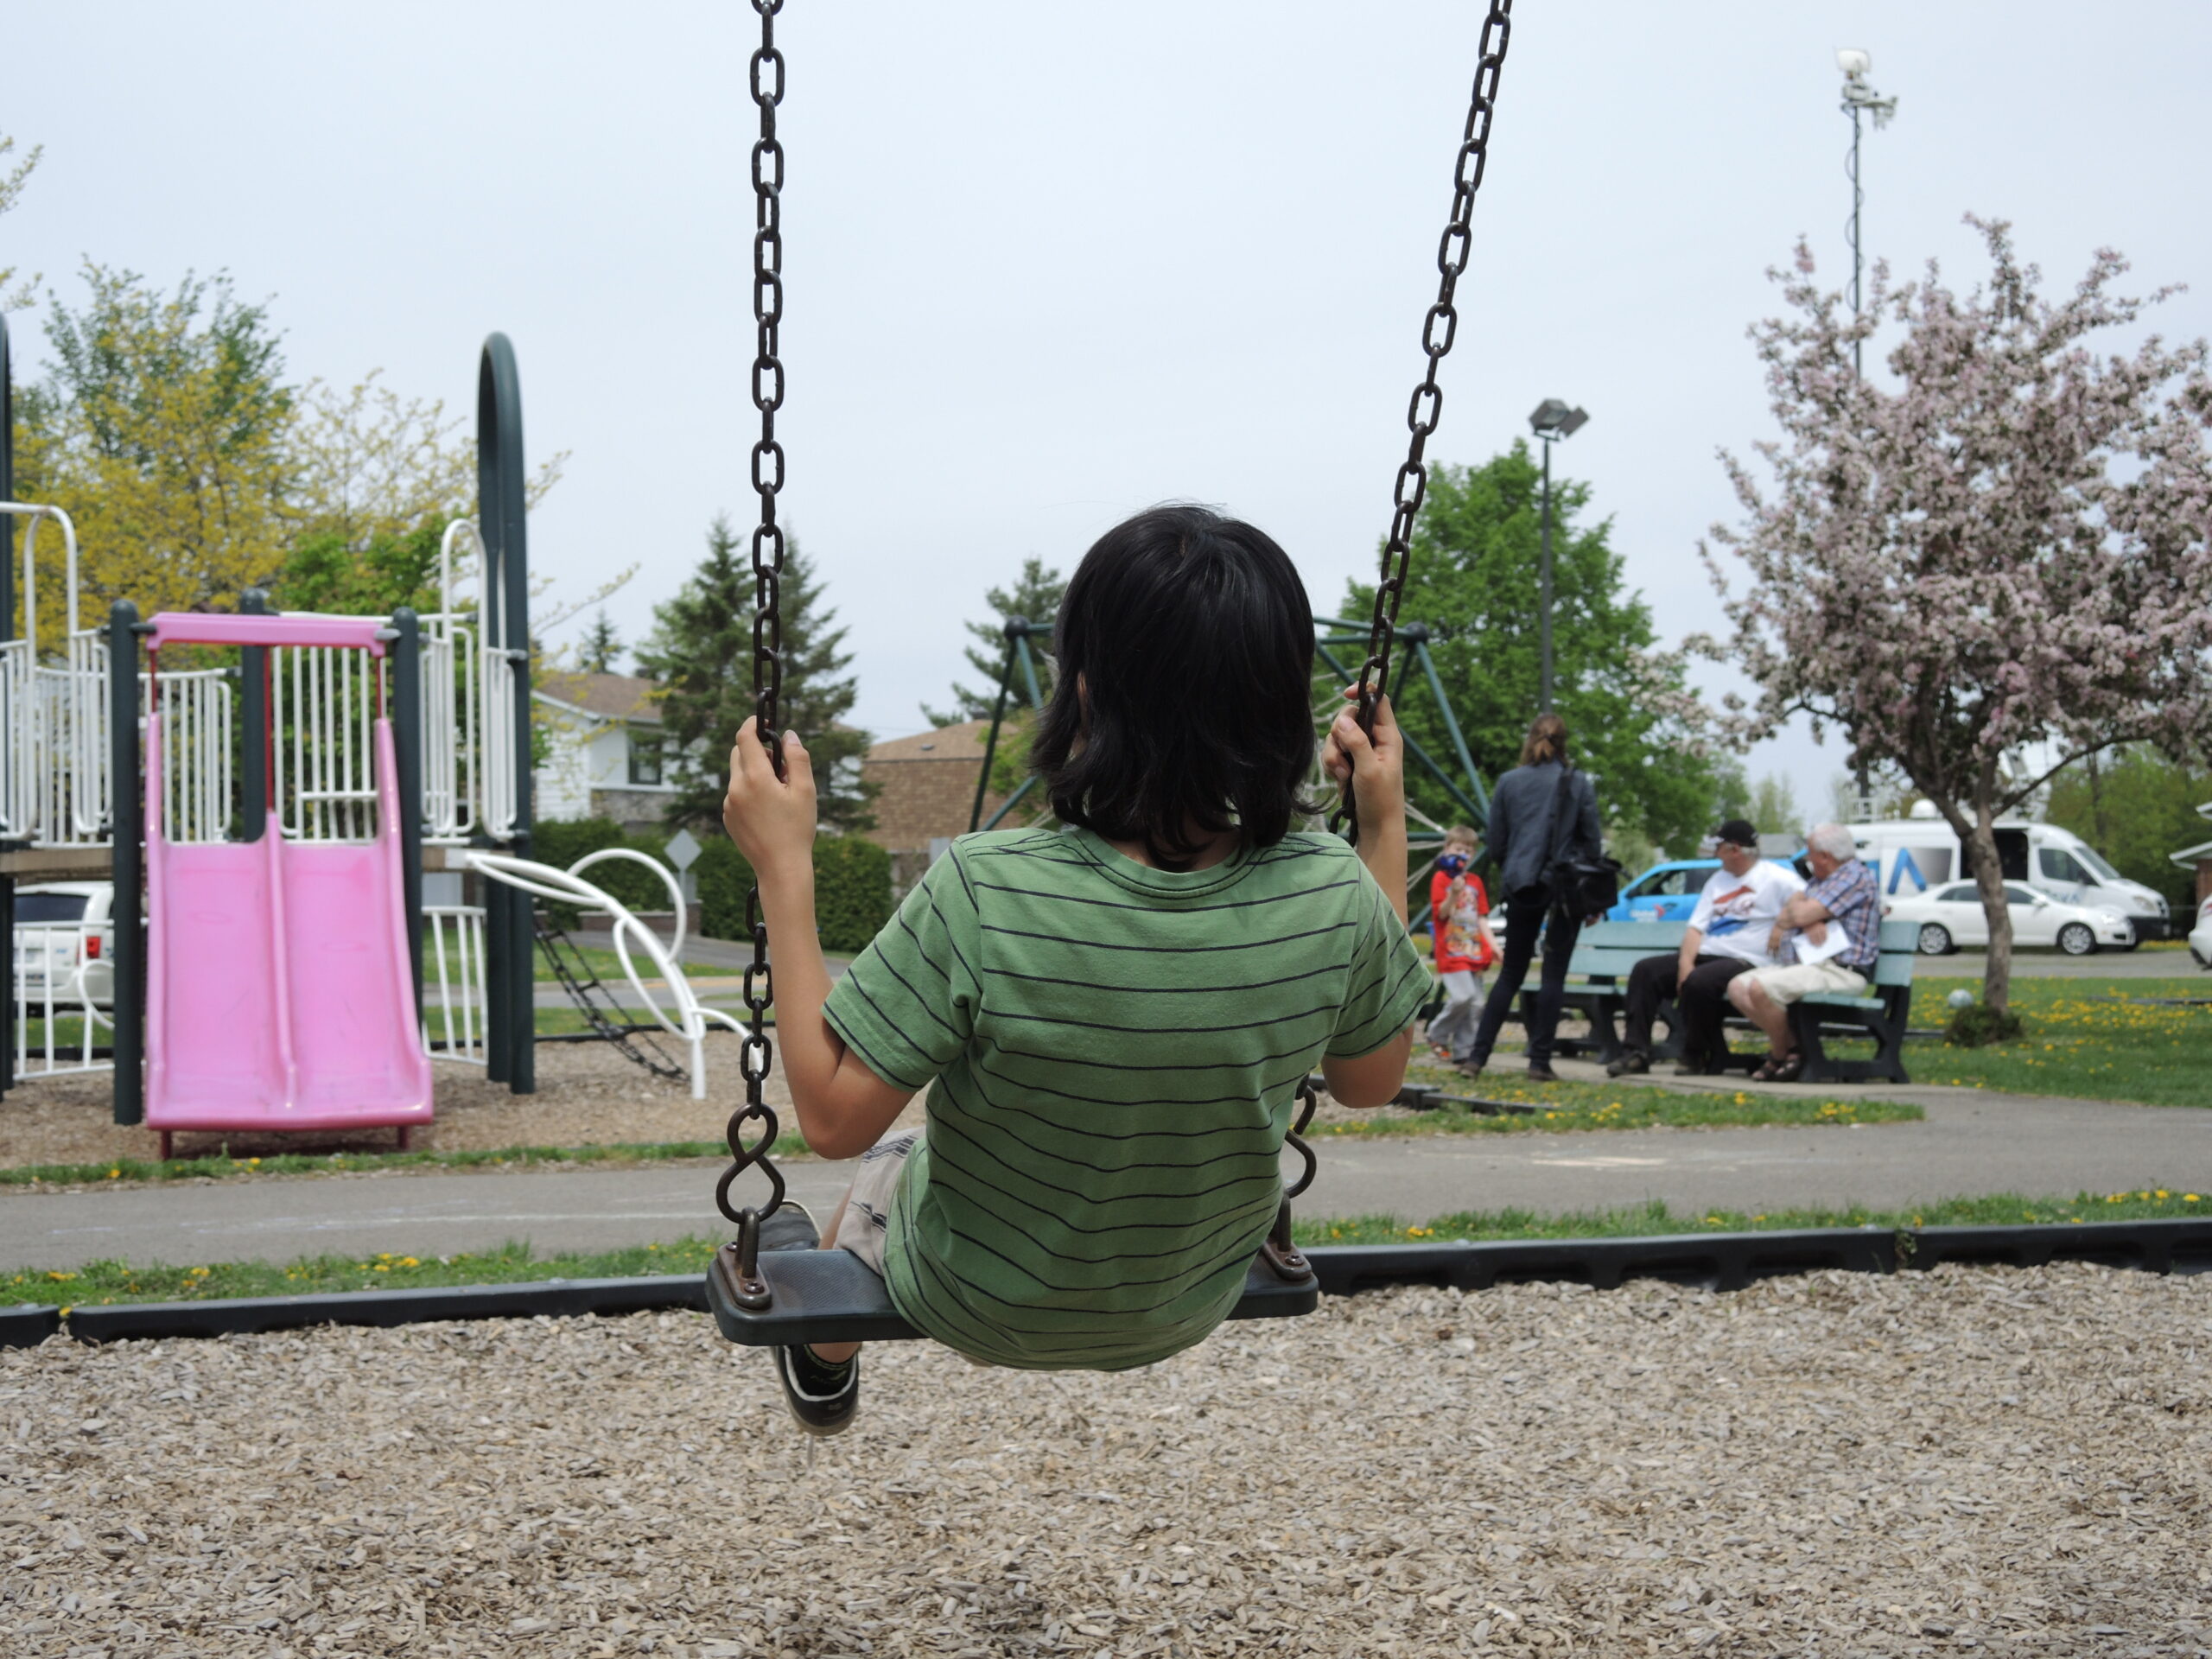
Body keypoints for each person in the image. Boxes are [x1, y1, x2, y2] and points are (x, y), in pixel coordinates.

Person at [720, 504, 1429, 1434]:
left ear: (1084, 690)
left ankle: (823, 1355)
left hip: (975, 1296)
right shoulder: (1332, 888)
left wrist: (784, 865)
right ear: (1283, 701)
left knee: (892, 1158)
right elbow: (1372, 1081)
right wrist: (1383, 823)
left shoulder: (986, 887)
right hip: (1185, 1297)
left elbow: (830, 1116)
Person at [1459, 713, 1603, 1084]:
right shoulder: (1578, 782)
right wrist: (1592, 899)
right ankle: (1539, 1063)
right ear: (1564, 742)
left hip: (1521, 884)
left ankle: (1476, 1058)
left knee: (1510, 973)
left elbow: (1497, 841)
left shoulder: (1509, 782)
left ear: (1530, 739)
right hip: (1565, 888)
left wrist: (1514, 870)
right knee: (1554, 975)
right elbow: (1592, 842)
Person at [1604, 817, 1805, 1077]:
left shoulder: (1774, 876)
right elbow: (1695, 929)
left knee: (1699, 981)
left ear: (1735, 849)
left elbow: (1805, 897)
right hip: (1707, 955)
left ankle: (1694, 1055)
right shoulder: (1718, 880)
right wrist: (1685, 964)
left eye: (1718, 847)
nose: (1715, 853)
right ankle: (1635, 1052)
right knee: (1646, 971)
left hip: (1746, 960)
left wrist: (1782, 922)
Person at [1726, 821, 1882, 1082]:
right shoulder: (1823, 880)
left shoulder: (1853, 877)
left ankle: (1780, 1054)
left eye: (1810, 853)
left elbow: (1795, 914)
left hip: (1840, 971)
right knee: (1737, 988)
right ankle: (1792, 1050)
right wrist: (1809, 918)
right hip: (1811, 967)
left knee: (1760, 988)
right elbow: (1789, 910)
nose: (1807, 858)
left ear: (1825, 857)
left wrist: (1803, 915)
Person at [1425, 824, 1494, 1065]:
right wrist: (1454, 893)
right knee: (1463, 997)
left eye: (1467, 851)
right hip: (1451, 950)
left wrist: (1494, 947)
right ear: (1447, 849)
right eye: (1458, 849)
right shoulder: (1441, 878)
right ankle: (1436, 1033)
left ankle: (1464, 1052)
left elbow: (1481, 917)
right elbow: (1442, 914)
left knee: (1477, 1004)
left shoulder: (1475, 881)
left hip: (1473, 949)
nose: (1462, 855)